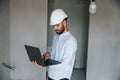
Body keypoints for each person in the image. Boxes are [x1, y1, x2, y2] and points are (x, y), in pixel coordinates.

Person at [32, 9, 77, 80]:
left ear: (64, 22)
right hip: (51, 74)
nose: (55, 28)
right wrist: (49, 54)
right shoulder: (56, 37)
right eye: (53, 26)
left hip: (61, 77)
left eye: (57, 25)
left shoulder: (71, 41)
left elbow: (65, 64)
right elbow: (53, 51)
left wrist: (44, 64)